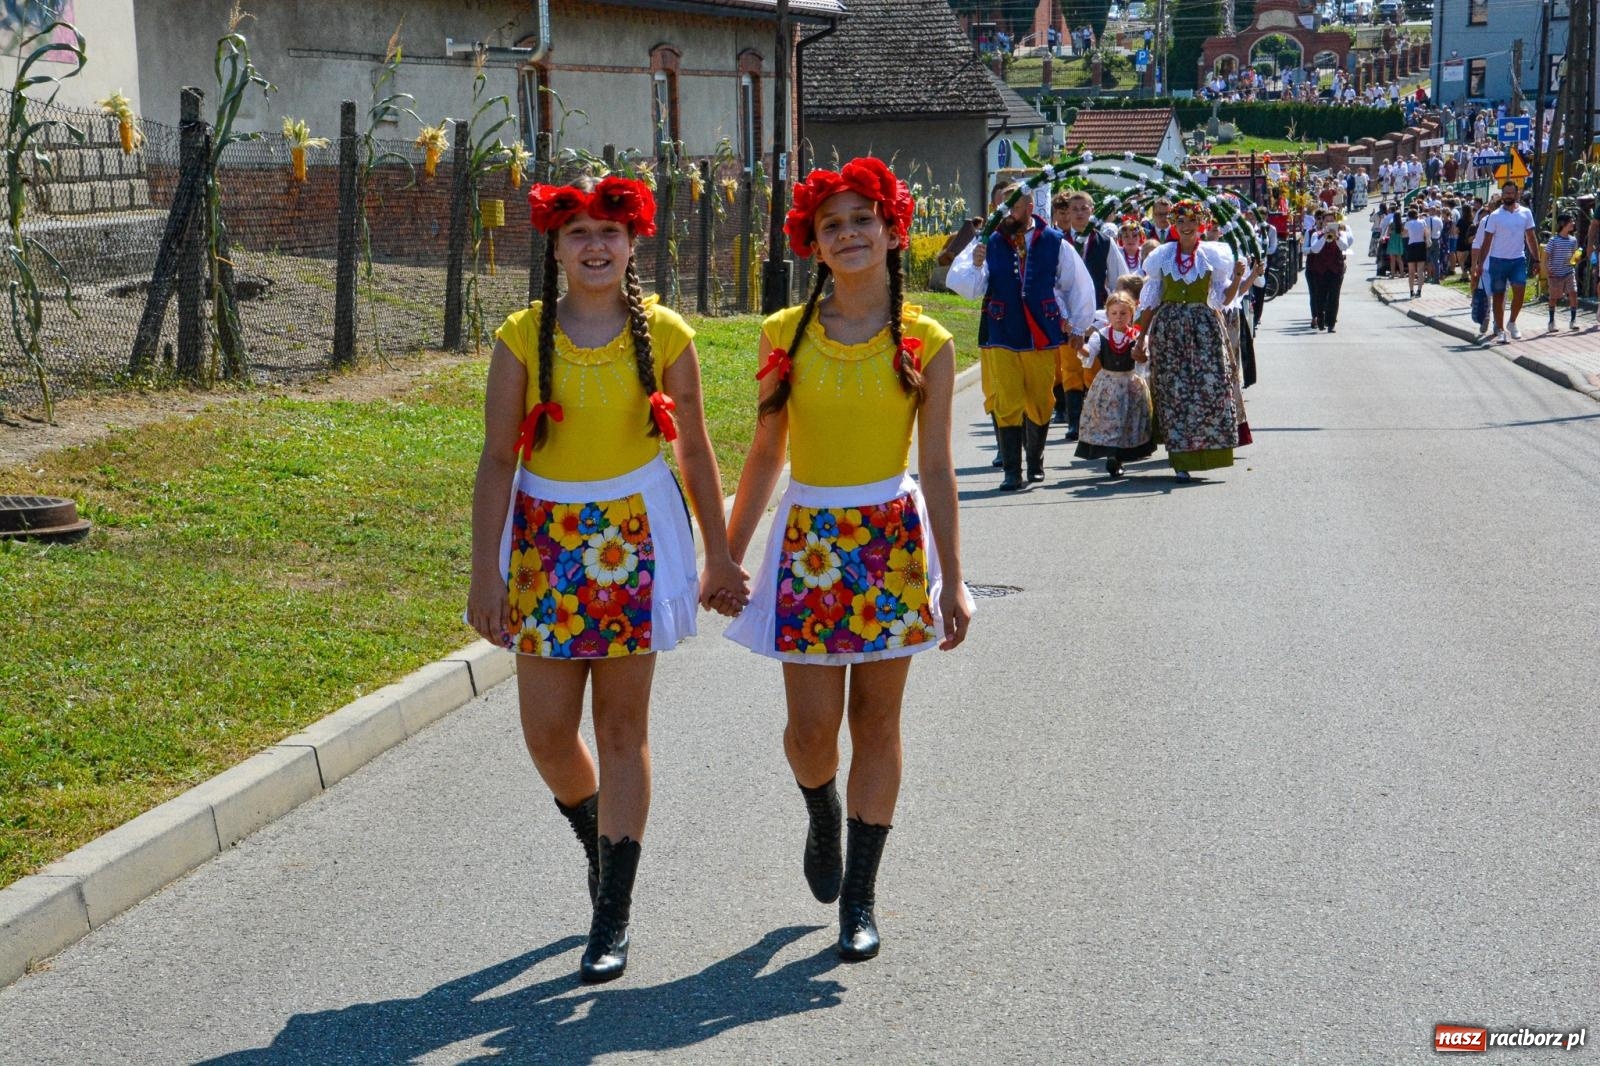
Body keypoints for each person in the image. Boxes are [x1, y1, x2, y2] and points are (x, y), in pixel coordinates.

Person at [466, 175, 749, 984]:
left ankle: (612, 909)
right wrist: (485, 573)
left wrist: (720, 553)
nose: (595, 246)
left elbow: (694, 450)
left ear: (633, 243)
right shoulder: (522, 337)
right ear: (555, 247)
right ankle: (597, 841)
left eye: (610, 232)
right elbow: (498, 458)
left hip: (635, 537)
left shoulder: (667, 333)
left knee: (623, 730)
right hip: (545, 545)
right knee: (548, 734)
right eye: (578, 233)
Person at [723, 157, 973, 963]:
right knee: (811, 730)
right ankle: (820, 808)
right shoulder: (784, 333)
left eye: (864, 218)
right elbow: (766, 452)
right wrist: (726, 557)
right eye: (832, 224)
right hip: (810, 546)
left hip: (892, 545)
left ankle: (860, 897)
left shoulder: (926, 340)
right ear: (814, 242)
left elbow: (937, 467)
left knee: (877, 720)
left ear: (893, 230)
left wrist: (954, 580)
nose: (850, 233)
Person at [948, 188, 1095, 489]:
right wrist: (976, 264)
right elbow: (965, 285)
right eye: (1001, 207)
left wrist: (1079, 327)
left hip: (1041, 330)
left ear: (1029, 208)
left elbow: (1076, 284)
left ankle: (1035, 462)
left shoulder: (1054, 241)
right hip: (1002, 328)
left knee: (1041, 399)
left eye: (1011, 208)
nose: (1004, 213)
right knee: (1007, 398)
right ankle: (1012, 471)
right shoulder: (989, 240)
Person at [1133, 200, 1254, 481]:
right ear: (1174, 225)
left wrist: (1238, 277)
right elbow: (1151, 303)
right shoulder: (1162, 257)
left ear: (1202, 225)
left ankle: (1209, 453)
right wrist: (1140, 339)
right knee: (1174, 392)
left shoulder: (1214, 256)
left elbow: (1224, 299)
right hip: (1170, 332)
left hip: (1205, 331)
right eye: (1181, 222)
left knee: (1209, 388)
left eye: (1192, 222)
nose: (1186, 227)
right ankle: (1180, 459)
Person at [1053, 188, 1131, 438]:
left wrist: (1117, 310)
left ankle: (1097, 418)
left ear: (1092, 211)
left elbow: (1119, 277)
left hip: (1096, 313)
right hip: (1066, 314)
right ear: (1067, 212)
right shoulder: (1057, 241)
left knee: (1094, 366)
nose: (1078, 213)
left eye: (1083, 208)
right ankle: (1075, 421)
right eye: (1073, 209)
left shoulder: (1104, 242)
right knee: (1070, 367)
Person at [1075, 290, 1154, 478]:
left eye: (1123, 313)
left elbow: (1145, 361)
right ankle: (1111, 456)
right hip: (1107, 384)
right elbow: (1090, 353)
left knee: (1127, 420)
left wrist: (1141, 356)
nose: (1119, 317)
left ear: (1131, 314)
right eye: (1114, 313)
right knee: (1109, 420)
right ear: (1108, 314)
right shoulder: (1101, 336)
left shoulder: (1138, 336)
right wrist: (1080, 347)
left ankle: (1120, 457)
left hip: (1130, 384)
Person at [1471, 181, 1540, 344]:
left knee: (1520, 292)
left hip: (1518, 259)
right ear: (1502, 195)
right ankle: (1500, 329)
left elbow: (1531, 238)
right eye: (1505, 193)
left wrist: (1537, 260)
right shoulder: (1495, 216)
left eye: (1511, 193)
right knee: (1499, 296)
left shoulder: (1525, 213)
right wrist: (1480, 264)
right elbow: (1486, 241)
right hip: (1498, 261)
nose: (1508, 196)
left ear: (1517, 194)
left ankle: (1512, 322)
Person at [1306, 209, 1354, 331]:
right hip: (1320, 270)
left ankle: (1331, 323)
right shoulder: (1316, 234)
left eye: (1332, 221)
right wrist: (1324, 236)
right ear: (1323, 222)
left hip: (1336, 270)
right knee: (1320, 296)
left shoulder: (1341, 234)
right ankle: (1321, 320)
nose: (1329, 223)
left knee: (1334, 296)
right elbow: (1315, 249)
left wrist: (1336, 237)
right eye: (1327, 221)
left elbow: (1344, 246)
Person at [1543, 213, 1580, 332]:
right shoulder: (1553, 240)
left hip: (1569, 272)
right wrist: (1548, 269)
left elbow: (1574, 257)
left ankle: (1573, 320)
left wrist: (1576, 258)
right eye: (1570, 221)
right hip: (1555, 274)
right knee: (1554, 297)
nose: (1573, 223)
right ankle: (1551, 321)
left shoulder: (1573, 240)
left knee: (1573, 292)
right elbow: (1545, 257)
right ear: (1563, 224)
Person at [1402, 207, 1428, 297]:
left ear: (1409, 216)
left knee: (1411, 271)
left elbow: (1403, 234)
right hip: (1421, 245)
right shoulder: (1423, 222)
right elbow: (1426, 233)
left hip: (1412, 245)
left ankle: (1411, 291)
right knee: (1420, 270)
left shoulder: (1408, 223)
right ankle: (1419, 291)